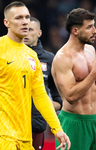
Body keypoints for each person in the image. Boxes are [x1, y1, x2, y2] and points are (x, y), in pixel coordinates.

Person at [0, 1, 70, 150]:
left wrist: (57, 128)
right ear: (6, 22)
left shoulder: (32, 56)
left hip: (25, 136)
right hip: (0, 134)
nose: (25, 22)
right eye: (19, 18)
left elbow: (40, 96)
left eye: (27, 17)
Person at [51, 8, 96, 150]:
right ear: (75, 31)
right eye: (89, 27)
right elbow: (71, 96)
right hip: (73, 123)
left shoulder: (90, 50)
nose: (95, 31)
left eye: (94, 26)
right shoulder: (63, 58)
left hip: (93, 122)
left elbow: (93, 88)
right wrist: (94, 73)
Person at [24, 17, 62, 150]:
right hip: (13, 125)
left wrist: (48, 106)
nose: (25, 33)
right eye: (23, 29)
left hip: (37, 126)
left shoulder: (50, 59)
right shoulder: (11, 56)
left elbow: (58, 96)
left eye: (29, 30)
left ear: (39, 33)